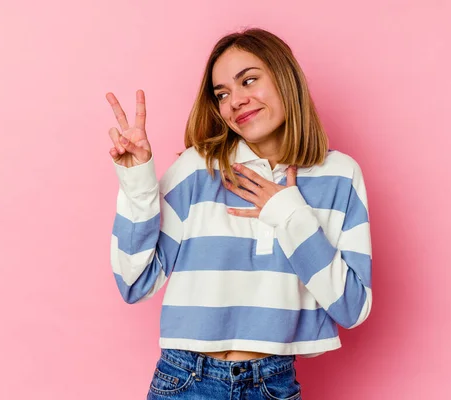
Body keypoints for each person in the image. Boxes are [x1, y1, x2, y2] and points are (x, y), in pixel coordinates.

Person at [105, 28, 372, 400]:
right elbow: (135, 282)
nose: (236, 101)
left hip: (272, 384)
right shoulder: (199, 169)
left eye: (249, 80)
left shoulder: (340, 176)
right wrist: (137, 181)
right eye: (223, 94)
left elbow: (353, 307)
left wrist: (289, 213)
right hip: (185, 380)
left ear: (285, 77)